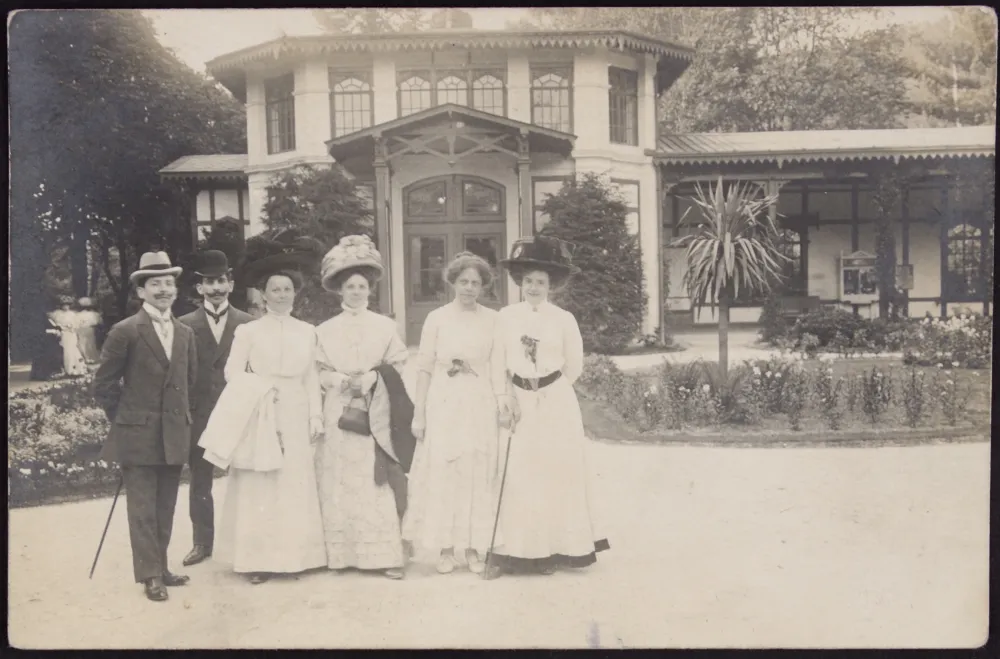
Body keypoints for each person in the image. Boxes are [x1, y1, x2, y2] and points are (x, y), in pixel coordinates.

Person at [199, 245, 327, 585]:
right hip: (261, 409)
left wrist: (316, 416)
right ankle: (258, 559)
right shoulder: (249, 331)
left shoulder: (307, 331)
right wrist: (261, 390)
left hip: (296, 408)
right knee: (261, 483)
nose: (282, 295)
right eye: (275, 290)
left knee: (294, 480)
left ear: (294, 294)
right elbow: (232, 372)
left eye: (287, 289)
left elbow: (311, 376)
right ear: (263, 295)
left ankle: (299, 556)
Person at [484, 236, 609, 580]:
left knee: (555, 471)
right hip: (518, 400)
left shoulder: (563, 319)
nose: (534, 287)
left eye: (540, 281)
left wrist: (550, 392)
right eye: (528, 281)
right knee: (518, 474)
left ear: (550, 285)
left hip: (555, 401)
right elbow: (497, 364)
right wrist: (505, 399)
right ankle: (513, 552)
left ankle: (554, 548)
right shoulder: (505, 318)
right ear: (520, 284)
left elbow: (574, 365)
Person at [92, 251, 197, 602]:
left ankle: (162, 567)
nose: (164, 289)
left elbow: (190, 382)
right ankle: (150, 575)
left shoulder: (184, 333)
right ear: (141, 291)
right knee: (142, 509)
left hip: (172, 434)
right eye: (156, 284)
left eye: (169, 283)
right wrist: (126, 420)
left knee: (165, 505)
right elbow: (103, 385)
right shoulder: (125, 331)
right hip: (137, 435)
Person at [314, 235, 414, 580]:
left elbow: (399, 363)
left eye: (361, 286)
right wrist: (339, 380)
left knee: (376, 480)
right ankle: (342, 556)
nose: (356, 292)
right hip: (339, 409)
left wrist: (372, 377)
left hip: (376, 408)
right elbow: (318, 369)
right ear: (340, 291)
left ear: (370, 290)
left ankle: (383, 556)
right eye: (350, 287)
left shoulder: (385, 327)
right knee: (340, 479)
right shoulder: (324, 330)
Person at [402, 252, 505, 575]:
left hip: (478, 400)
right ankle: (446, 548)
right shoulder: (437, 318)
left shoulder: (493, 320)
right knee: (446, 470)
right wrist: (419, 414)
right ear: (453, 283)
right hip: (444, 401)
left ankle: (473, 547)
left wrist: (501, 402)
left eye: (476, 283)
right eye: (464, 282)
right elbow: (424, 368)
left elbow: (499, 366)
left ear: (484, 286)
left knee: (476, 469)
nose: (469, 288)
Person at [177, 250, 254, 567]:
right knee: (200, 479)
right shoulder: (183, 325)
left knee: (249, 476)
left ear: (231, 283)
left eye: (221, 280)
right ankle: (202, 542)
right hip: (201, 415)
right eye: (209, 282)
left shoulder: (249, 324)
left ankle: (249, 542)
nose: (216, 288)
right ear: (199, 288)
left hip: (240, 413)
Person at [48, 296, 88, 376]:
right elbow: (54, 323)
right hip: (63, 334)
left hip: (71, 333)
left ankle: (78, 367)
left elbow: (77, 324)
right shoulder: (57, 314)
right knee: (66, 350)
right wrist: (60, 327)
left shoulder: (72, 314)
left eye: (67, 305)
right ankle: (67, 368)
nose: (65, 307)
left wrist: (72, 326)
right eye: (63, 305)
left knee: (73, 349)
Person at [75, 297, 102, 365]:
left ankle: (85, 357)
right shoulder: (93, 314)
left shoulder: (78, 315)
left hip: (82, 329)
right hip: (89, 329)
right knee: (90, 342)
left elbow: (76, 324)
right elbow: (98, 322)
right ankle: (89, 357)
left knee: (83, 343)